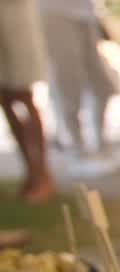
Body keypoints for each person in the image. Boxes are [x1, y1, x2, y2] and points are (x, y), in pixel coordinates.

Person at [40, 0, 117, 155]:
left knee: (104, 84)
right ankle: (76, 149)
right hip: (54, 11)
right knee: (67, 83)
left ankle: (100, 144)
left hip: (86, 12)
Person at [0, 0, 55, 202]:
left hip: (15, 14)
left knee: (23, 94)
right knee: (5, 97)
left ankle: (41, 173)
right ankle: (30, 172)